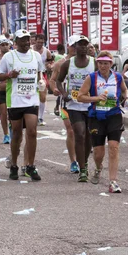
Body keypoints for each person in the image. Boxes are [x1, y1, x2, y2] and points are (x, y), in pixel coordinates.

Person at [77, 51, 128, 193]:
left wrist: (127, 98)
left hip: (114, 115)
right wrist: (96, 98)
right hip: (97, 117)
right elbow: (80, 97)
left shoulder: (117, 77)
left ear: (111, 64)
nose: (103, 66)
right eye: (100, 63)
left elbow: (125, 90)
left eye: (106, 63)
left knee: (113, 147)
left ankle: (113, 182)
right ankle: (98, 167)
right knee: (99, 152)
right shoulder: (91, 78)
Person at [0, 30, 44, 181]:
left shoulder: (36, 56)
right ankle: (14, 165)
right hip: (15, 100)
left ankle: (30, 166)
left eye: (27, 40)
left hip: (31, 100)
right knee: (16, 134)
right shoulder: (8, 57)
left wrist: (42, 82)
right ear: (16, 42)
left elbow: (39, 74)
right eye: (22, 40)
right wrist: (9, 75)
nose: (25, 43)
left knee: (32, 132)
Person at [56, 34, 95, 182]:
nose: (84, 47)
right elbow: (59, 81)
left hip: (90, 104)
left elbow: (100, 81)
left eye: (86, 44)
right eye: (81, 44)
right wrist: (64, 93)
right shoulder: (68, 64)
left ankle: (83, 162)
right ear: (75, 47)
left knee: (89, 136)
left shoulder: (94, 63)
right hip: (74, 104)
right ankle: (83, 169)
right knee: (79, 133)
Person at [49, 43, 79, 173]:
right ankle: (73, 161)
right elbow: (52, 80)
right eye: (74, 45)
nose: (76, 48)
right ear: (69, 46)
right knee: (71, 130)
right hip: (66, 101)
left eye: (79, 45)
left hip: (83, 101)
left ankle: (82, 159)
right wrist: (55, 89)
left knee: (82, 132)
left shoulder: (88, 62)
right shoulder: (60, 63)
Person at [33, 34, 53, 125]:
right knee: (32, 95)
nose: (40, 44)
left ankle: (40, 118)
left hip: (42, 75)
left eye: (42, 42)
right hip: (32, 74)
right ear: (35, 41)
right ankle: (33, 117)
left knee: (42, 96)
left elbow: (50, 62)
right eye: (38, 42)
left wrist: (49, 66)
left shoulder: (47, 51)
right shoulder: (30, 50)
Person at [0, 37, 11, 144]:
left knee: (12, 113)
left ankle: (12, 131)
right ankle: (6, 134)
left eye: (6, 44)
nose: (5, 46)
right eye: (3, 45)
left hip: (12, 88)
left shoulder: (13, 57)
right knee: (3, 113)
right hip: (0, 89)